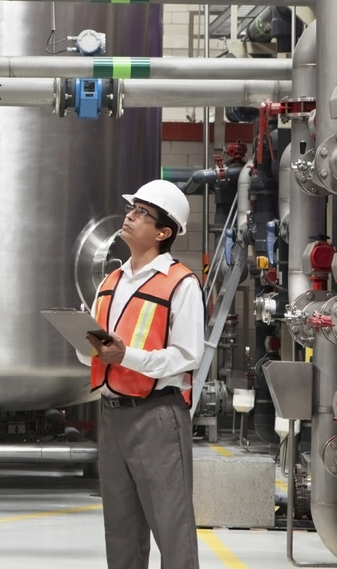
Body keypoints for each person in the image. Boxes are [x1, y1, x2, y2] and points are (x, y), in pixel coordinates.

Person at [81, 179, 205, 569]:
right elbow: (96, 356)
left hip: (157, 416)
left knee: (173, 529)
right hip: (112, 414)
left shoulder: (181, 283)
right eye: (131, 209)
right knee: (120, 530)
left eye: (141, 213)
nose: (129, 216)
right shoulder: (110, 281)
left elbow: (187, 356)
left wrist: (126, 355)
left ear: (163, 232)